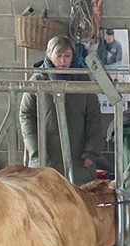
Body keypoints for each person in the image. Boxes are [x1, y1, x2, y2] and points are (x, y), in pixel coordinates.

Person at [19, 35, 104, 184]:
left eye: (67, 56)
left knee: (79, 200)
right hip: (47, 157)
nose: (63, 61)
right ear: (49, 55)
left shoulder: (83, 81)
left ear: (73, 56)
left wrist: (92, 150)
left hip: (78, 157)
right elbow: (26, 115)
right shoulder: (38, 80)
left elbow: (94, 116)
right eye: (58, 56)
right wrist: (36, 151)